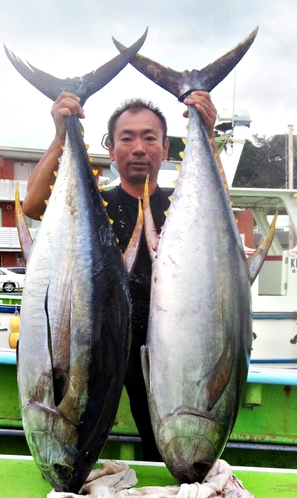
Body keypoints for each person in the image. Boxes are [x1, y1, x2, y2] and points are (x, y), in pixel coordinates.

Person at [23, 90, 220, 461]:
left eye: (149, 137)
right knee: (79, 440)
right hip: (96, 344)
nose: (139, 147)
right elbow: (34, 206)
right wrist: (61, 135)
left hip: (167, 350)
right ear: (111, 149)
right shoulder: (95, 203)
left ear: (165, 147)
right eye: (126, 138)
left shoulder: (187, 208)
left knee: (170, 454)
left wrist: (207, 133)